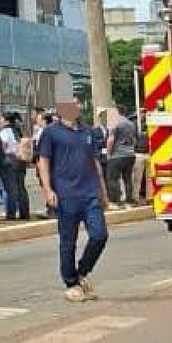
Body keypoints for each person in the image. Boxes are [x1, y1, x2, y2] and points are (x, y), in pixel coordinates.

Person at [37, 97, 110, 300]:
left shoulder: (87, 132)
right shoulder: (51, 132)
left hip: (90, 193)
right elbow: (43, 160)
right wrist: (47, 189)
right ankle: (71, 283)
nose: (76, 106)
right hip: (65, 194)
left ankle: (83, 271)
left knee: (99, 235)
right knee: (68, 241)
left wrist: (103, 191)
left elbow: (95, 162)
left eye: (78, 103)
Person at [1, 113, 32, 221]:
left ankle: (11, 213)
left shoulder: (5, 131)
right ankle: (24, 212)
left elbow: (3, 145)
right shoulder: (18, 130)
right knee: (21, 187)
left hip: (10, 160)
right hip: (21, 160)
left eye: (1, 118)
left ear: (6, 120)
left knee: (11, 188)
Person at [106, 109, 140, 206]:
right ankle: (129, 200)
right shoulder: (131, 124)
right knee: (128, 178)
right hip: (130, 155)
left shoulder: (114, 122)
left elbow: (111, 140)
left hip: (117, 155)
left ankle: (117, 201)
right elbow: (134, 140)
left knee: (113, 178)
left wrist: (109, 154)